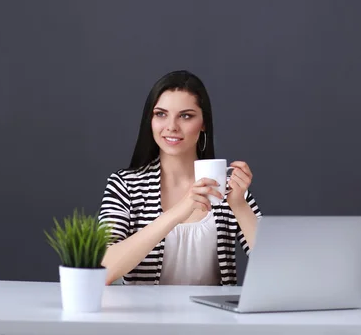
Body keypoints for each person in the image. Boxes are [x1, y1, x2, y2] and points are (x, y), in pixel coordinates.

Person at [98, 70, 262, 286]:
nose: (172, 126)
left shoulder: (230, 188)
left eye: (186, 116)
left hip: (216, 319)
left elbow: (276, 267)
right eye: (161, 114)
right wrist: (178, 211)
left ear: (203, 123)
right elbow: (102, 267)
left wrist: (240, 205)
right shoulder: (126, 185)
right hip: (146, 318)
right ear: (150, 120)